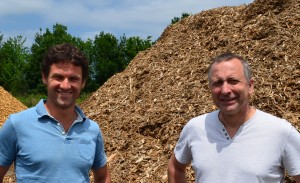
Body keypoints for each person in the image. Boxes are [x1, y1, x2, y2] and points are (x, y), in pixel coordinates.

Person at [168, 52, 300, 182]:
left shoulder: (280, 131)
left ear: (250, 86)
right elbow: (175, 167)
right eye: (217, 83)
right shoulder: (195, 128)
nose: (225, 90)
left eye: (233, 81)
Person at [0, 43, 111, 183]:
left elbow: (103, 177)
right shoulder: (17, 125)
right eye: (58, 77)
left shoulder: (92, 129)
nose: (65, 85)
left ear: (83, 83)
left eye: (73, 79)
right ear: (44, 78)